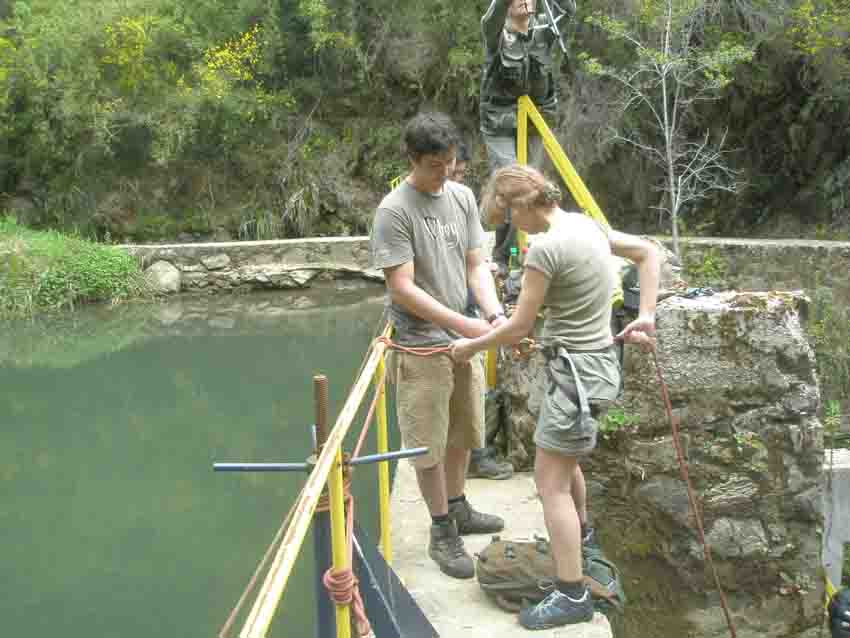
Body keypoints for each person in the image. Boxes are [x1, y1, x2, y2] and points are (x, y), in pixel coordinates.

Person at [451, 164, 659, 628]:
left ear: (522, 206)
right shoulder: (586, 225)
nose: (511, 227)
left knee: (550, 486)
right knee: (566, 467)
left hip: (575, 380)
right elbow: (648, 252)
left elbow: (519, 326)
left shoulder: (544, 249)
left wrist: (470, 347)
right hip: (598, 366)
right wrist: (644, 314)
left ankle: (571, 594)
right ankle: (581, 544)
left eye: (509, 216)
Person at [369, 113, 507, 580]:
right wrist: (463, 326)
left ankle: (459, 505)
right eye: (433, 165)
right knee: (426, 444)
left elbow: (475, 266)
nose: (443, 174)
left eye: (449, 164)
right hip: (419, 346)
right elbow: (403, 288)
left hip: (462, 338)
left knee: (463, 431)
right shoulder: (393, 210)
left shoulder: (463, 197)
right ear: (411, 159)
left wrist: (493, 315)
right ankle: (441, 529)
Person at [480, 0, 570, 271]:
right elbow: (490, 19)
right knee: (512, 184)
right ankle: (501, 257)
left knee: (532, 188)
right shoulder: (496, 34)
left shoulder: (545, 32)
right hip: (500, 125)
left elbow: (569, 10)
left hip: (533, 123)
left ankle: (524, 252)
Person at [450, 141, 516, 481]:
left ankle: (476, 454)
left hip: (468, 308)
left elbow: (469, 259)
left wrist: (492, 314)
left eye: (462, 173)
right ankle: (476, 456)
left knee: (472, 391)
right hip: (449, 317)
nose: (459, 179)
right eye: (455, 172)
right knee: (463, 396)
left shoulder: (460, 203)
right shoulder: (410, 209)